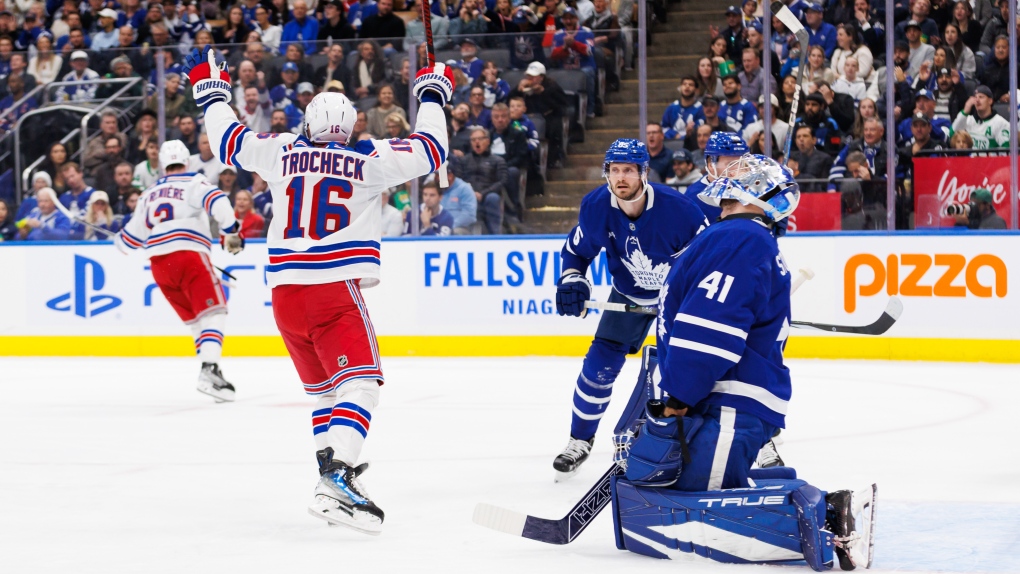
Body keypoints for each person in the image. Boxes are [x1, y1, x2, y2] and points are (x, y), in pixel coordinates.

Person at [187, 46, 454, 534]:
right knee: (363, 383)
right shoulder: (368, 157)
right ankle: (336, 479)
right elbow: (431, 150)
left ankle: (331, 477)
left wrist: (212, 93)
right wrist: (432, 94)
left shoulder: (282, 150)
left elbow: (227, 141)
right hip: (332, 287)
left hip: (286, 296)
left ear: (308, 124)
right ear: (351, 128)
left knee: (324, 395)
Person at [615, 153, 875, 571]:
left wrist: (678, 397)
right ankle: (824, 508)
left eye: (742, 174)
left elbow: (709, 328)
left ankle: (829, 518)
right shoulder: (739, 237)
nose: (728, 175)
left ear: (758, 193)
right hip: (725, 402)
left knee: (697, 522)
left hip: (721, 404)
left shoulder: (740, 238)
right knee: (702, 503)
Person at [550, 138, 709, 480]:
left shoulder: (679, 210)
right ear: (607, 173)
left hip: (677, 299)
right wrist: (573, 278)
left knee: (684, 374)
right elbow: (576, 251)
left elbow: (706, 261)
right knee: (597, 368)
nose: (621, 178)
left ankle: (694, 442)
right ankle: (580, 439)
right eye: (615, 170)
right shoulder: (595, 206)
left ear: (643, 173)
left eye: (629, 170)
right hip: (627, 294)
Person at [113, 140, 244, 400]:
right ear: (187, 161)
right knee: (215, 312)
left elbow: (128, 242)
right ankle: (209, 371)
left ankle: (211, 372)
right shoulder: (194, 182)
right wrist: (231, 231)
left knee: (197, 321)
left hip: (160, 267)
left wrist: (118, 238)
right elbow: (218, 200)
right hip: (189, 255)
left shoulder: (148, 193)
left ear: (162, 164)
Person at [683, 131, 750, 223]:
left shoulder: (749, 190)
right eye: (731, 164)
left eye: (741, 163)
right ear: (711, 165)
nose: (738, 169)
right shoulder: (693, 199)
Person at [460, 126, 508, 234]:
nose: (477, 142)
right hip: (468, 195)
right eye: (473, 139)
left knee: (493, 198)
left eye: (480, 139)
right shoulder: (464, 161)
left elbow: (502, 181)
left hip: (488, 194)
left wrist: (483, 193)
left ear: (487, 141)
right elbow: (459, 179)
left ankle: (495, 235)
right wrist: (470, 193)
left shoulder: (498, 160)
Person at [952, 84, 1009, 149]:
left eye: (981, 97)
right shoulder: (968, 120)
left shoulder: (1000, 123)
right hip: (969, 159)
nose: (977, 100)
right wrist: (965, 112)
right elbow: (952, 135)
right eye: (975, 97)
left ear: (990, 101)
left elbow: (1006, 150)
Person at [788, 124, 833, 192]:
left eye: (805, 136)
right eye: (798, 137)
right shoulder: (790, 158)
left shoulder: (825, 158)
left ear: (814, 140)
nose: (801, 139)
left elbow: (824, 185)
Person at [439, 161, 478, 234]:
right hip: (438, 227)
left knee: (455, 232)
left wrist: (450, 226)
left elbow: (469, 215)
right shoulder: (436, 189)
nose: (436, 178)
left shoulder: (464, 188)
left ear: (450, 176)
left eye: (439, 176)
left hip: (459, 228)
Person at [661, 75, 705, 141]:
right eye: (684, 84)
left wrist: (687, 134)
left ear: (696, 90)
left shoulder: (701, 109)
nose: (687, 86)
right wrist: (675, 135)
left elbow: (700, 129)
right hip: (672, 144)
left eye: (690, 85)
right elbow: (663, 127)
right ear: (680, 88)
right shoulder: (672, 107)